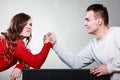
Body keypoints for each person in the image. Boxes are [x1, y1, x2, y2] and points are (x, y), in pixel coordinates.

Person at [44, 4, 120, 80]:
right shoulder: (93, 45)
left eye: (88, 20)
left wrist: (109, 68)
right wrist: (55, 45)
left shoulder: (117, 33)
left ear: (99, 21)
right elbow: (76, 63)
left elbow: (109, 68)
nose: (85, 24)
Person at [0, 13, 56, 80]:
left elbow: (28, 59)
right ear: (16, 25)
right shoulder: (15, 43)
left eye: (30, 24)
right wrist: (48, 44)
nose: (29, 27)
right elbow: (36, 63)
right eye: (24, 24)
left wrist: (20, 66)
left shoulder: (13, 42)